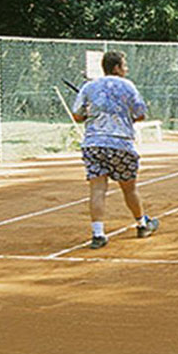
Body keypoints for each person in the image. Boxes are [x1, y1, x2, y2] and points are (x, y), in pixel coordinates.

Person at [70, 50, 159, 249]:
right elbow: (141, 113)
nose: (126, 69)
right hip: (121, 144)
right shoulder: (128, 86)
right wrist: (125, 118)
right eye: (124, 65)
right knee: (129, 188)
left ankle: (98, 234)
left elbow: (77, 115)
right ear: (117, 67)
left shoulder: (89, 87)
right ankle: (142, 224)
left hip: (94, 145)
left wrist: (91, 114)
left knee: (97, 189)